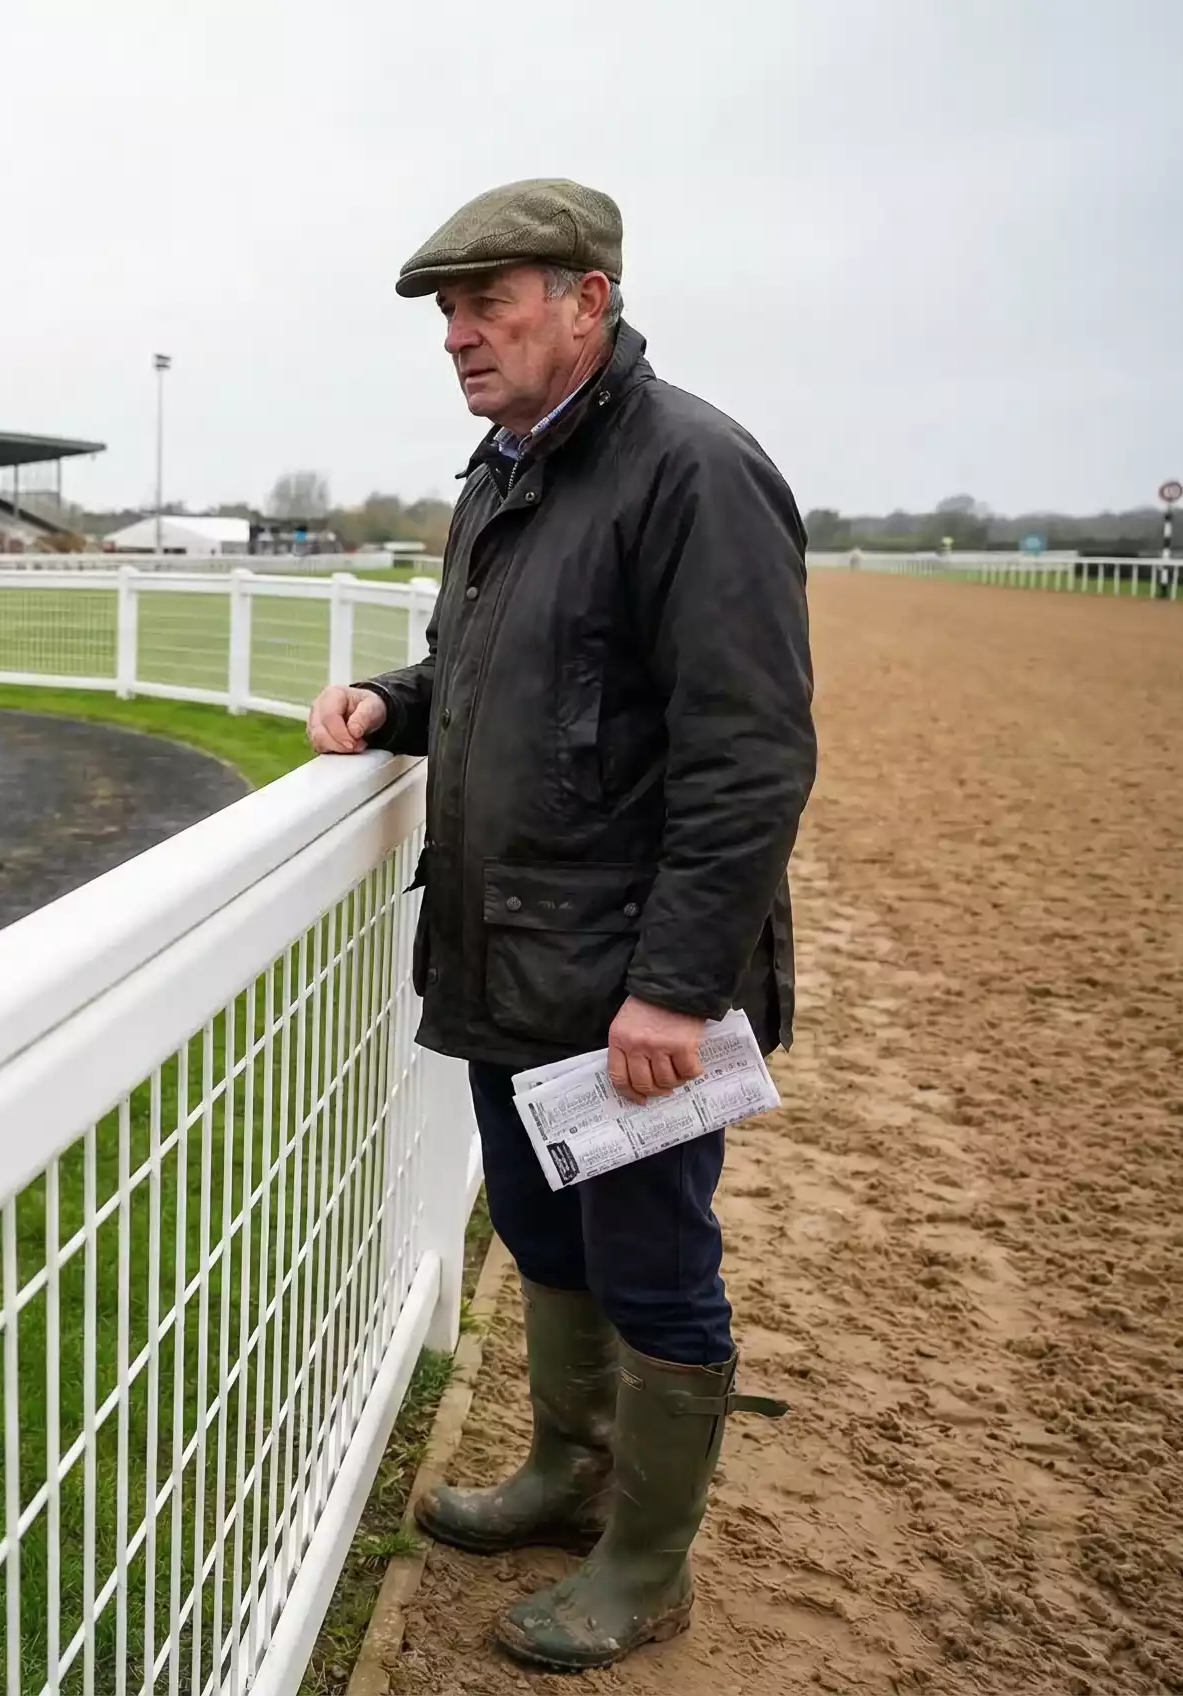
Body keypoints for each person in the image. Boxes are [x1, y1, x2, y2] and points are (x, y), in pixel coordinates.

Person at [304, 180, 815, 1672]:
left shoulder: (693, 468)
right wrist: (388, 705)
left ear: (588, 298)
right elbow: (488, 665)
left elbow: (751, 755)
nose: (458, 335)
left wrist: (675, 988)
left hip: (628, 995)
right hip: (510, 958)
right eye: (447, 314)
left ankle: (646, 1565)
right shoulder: (504, 471)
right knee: (537, 1229)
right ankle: (565, 1473)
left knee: (654, 1263)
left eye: (489, 303)